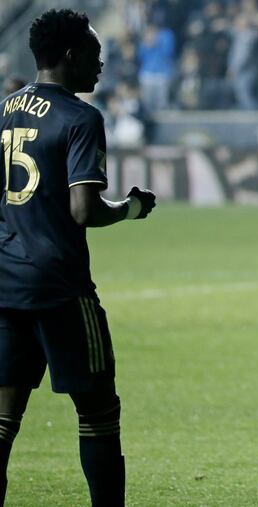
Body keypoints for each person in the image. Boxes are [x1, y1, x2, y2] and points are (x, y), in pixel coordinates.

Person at [0, 9, 156, 506]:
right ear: (71, 56)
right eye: (94, 53)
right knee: (98, 412)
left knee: (3, 421)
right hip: (60, 288)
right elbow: (84, 209)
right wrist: (131, 208)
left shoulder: (4, 109)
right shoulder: (81, 117)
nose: (101, 63)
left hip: (5, 285)